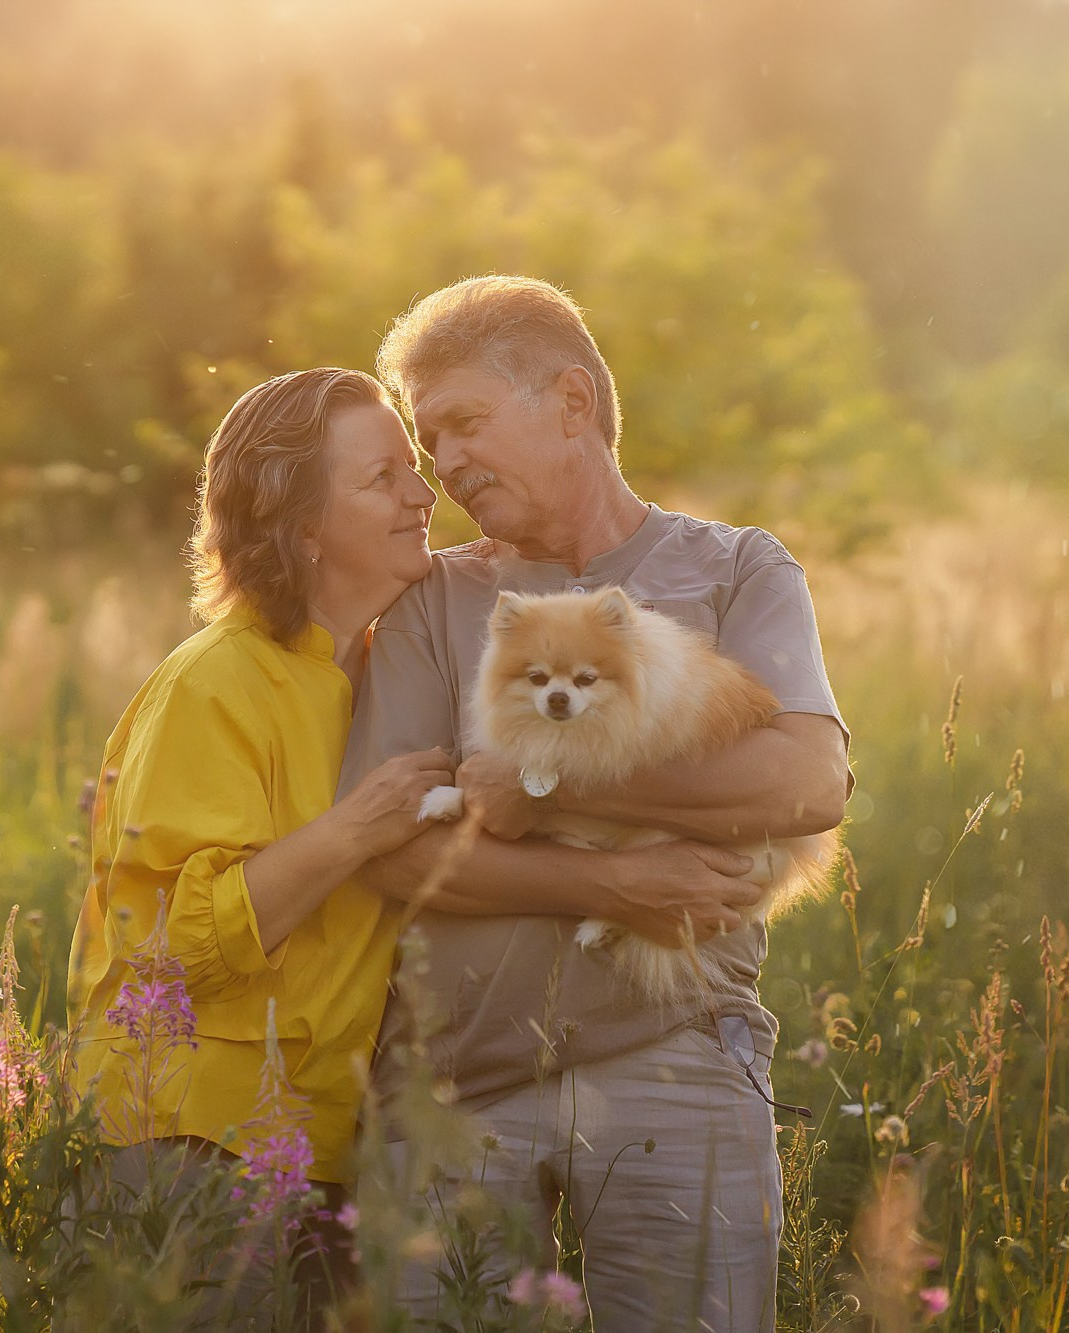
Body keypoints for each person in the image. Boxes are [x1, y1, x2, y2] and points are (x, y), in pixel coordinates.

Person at [340, 275, 852, 1331]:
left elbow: (804, 783)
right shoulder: (430, 599)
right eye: (430, 441)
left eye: (466, 422)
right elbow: (388, 848)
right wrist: (616, 878)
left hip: (678, 1057)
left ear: (571, 402)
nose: (446, 465)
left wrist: (555, 774)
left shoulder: (731, 569)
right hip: (448, 1086)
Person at [65, 367, 449, 1309]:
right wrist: (359, 826)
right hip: (188, 1149)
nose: (423, 494)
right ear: (304, 526)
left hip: (314, 1147)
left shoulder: (381, 670)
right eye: (384, 478)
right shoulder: (216, 681)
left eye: (416, 469)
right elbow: (173, 952)